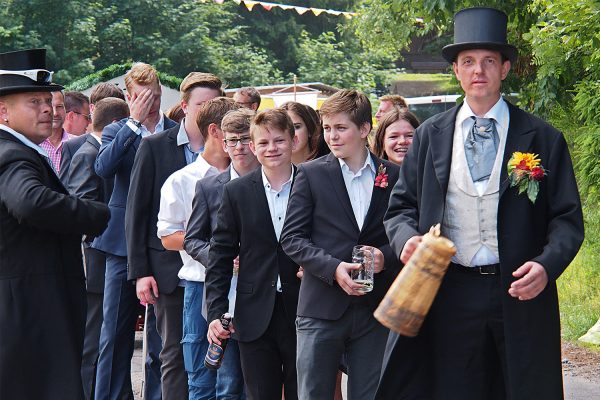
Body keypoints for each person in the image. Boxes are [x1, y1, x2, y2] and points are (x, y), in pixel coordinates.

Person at [379, 7, 584, 400]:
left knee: (523, 388)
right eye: (468, 61)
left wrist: (546, 265)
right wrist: (405, 238)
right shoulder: (430, 137)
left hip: (519, 290)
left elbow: (567, 219)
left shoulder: (543, 138)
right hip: (449, 290)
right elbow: (401, 207)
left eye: (489, 61)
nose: (479, 71)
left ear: (505, 69)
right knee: (453, 389)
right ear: (456, 71)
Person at [0, 48, 110, 399]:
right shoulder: (13, 155)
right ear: (3, 112)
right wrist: (95, 213)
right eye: (34, 101)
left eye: (48, 100)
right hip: (31, 315)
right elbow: (29, 202)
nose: (47, 108)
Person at [280, 89, 401, 400]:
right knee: (313, 394)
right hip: (321, 306)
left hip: (376, 309)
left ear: (364, 129)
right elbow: (291, 238)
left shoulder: (396, 176)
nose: (332, 136)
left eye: (341, 127)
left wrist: (384, 258)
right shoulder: (310, 173)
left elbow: (411, 233)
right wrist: (333, 269)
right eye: (328, 128)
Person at [127, 72, 223, 400]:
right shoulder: (156, 145)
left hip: (217, 275)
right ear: (184, 106)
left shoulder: (231, 153)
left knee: (213, 356)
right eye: (201, 104)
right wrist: (140, 271)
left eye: (214, 103)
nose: (207, 110)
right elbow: (137, 212)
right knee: (172, 355)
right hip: (168, 269)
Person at [94, 62, 178, 400]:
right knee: (114, 334)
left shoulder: (175, 130)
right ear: (130, 97)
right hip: (121, 245)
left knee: (163, 337)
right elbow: (103, 168)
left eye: (156, 96)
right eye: (144, 97)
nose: (153, 104)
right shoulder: (118, 129)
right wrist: (133, 122)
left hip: (162, 244)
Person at [206, 109, 301, 400]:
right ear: (253, 146)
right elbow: (220, 255)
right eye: (263, 143)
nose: (271, 149)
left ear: (293, 141)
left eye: (278, 141)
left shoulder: (312, 183)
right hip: (253, 312)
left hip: (304, 308)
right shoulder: (236, 192)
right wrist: (215, 311)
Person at [157, 97, 236, 399]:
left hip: (243, 286)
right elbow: (168, 236)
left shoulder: (249, 175)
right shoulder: (183, 180)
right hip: (200, 283)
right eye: (235, 130)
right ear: (216, 131)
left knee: (235, 378)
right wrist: (219, 254)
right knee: (202, 373)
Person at [184, 108, 259, 399]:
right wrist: (221, 258)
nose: (239, 147)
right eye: (232, 141)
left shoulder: (274, 182)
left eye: (244, 139)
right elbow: (193, 239)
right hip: (224, 292)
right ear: (223, 144)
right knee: (227, 380)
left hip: (263, 291)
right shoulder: (209, 186)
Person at [65, 97, 129, 400]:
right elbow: (81, 205)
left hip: (105, 257)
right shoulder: (88, 152)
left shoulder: (94, 149)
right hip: (96, 259)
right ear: (116, 124)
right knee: (95, 337)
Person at [59, 83, 125, 183]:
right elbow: (66, 189)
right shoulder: (72, 147)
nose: (111, 115)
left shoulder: (130, 140)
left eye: (117, 109)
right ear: (92, 108)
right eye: (106, 107)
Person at [40, 89, 71, 172]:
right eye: (50, 107)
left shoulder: (78, 143)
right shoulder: (33, 147)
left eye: (59, 106)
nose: (55, 113)